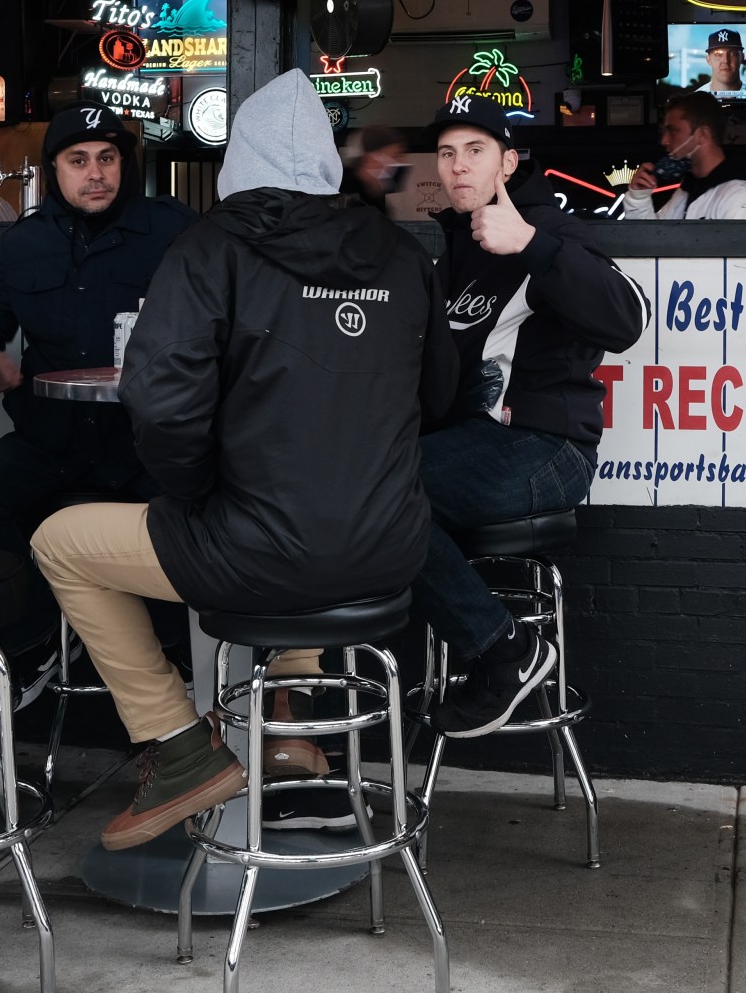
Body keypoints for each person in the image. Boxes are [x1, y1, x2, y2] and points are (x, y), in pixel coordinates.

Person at [31, 70, 457, 849]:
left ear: (239, 161)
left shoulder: (211, 247)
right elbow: (439, 398)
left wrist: (191, 489)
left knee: (59, 541)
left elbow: (159, 401)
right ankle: (284, 717)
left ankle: (180, 747)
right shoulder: (402, 255)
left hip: (258, 550)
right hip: (391, 549)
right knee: (296, 523)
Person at [419, 96, 648, 734]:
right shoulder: (457, 247)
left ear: (508, 161)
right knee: (363, 482)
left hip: (546, 450)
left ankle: (506, 653)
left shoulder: (550, 232)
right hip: (473, 446)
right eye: (446, 153)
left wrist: (531, 244)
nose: (458, 167)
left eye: (475, 151)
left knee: (382, 491)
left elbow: (628, 318)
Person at [0, 103, 197, 653]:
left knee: (199, 521)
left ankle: (169, 659)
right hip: (49, 440)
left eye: (107, 158)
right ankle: (44, 629)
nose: (95, 173)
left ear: (125, 164)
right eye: (78, 160)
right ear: (53, 169)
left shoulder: (175, 229)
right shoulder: (25, 241)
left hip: (150, 445)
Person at [615, 92, 746, 221]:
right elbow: (653, 245)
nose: (664, 141)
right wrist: (639, 198)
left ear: (702, 134)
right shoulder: (685, 192)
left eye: (673, 131)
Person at [344, 124, 410, 212]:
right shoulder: (343, 203)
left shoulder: (376, 200)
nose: (401, 162)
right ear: (370, 159)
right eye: (395, 156)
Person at [691, 28, 746, 101]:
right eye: (718, 54)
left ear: (742, 57)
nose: (725, 60)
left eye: (733, 53)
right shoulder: (693, 103)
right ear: (708, 60)